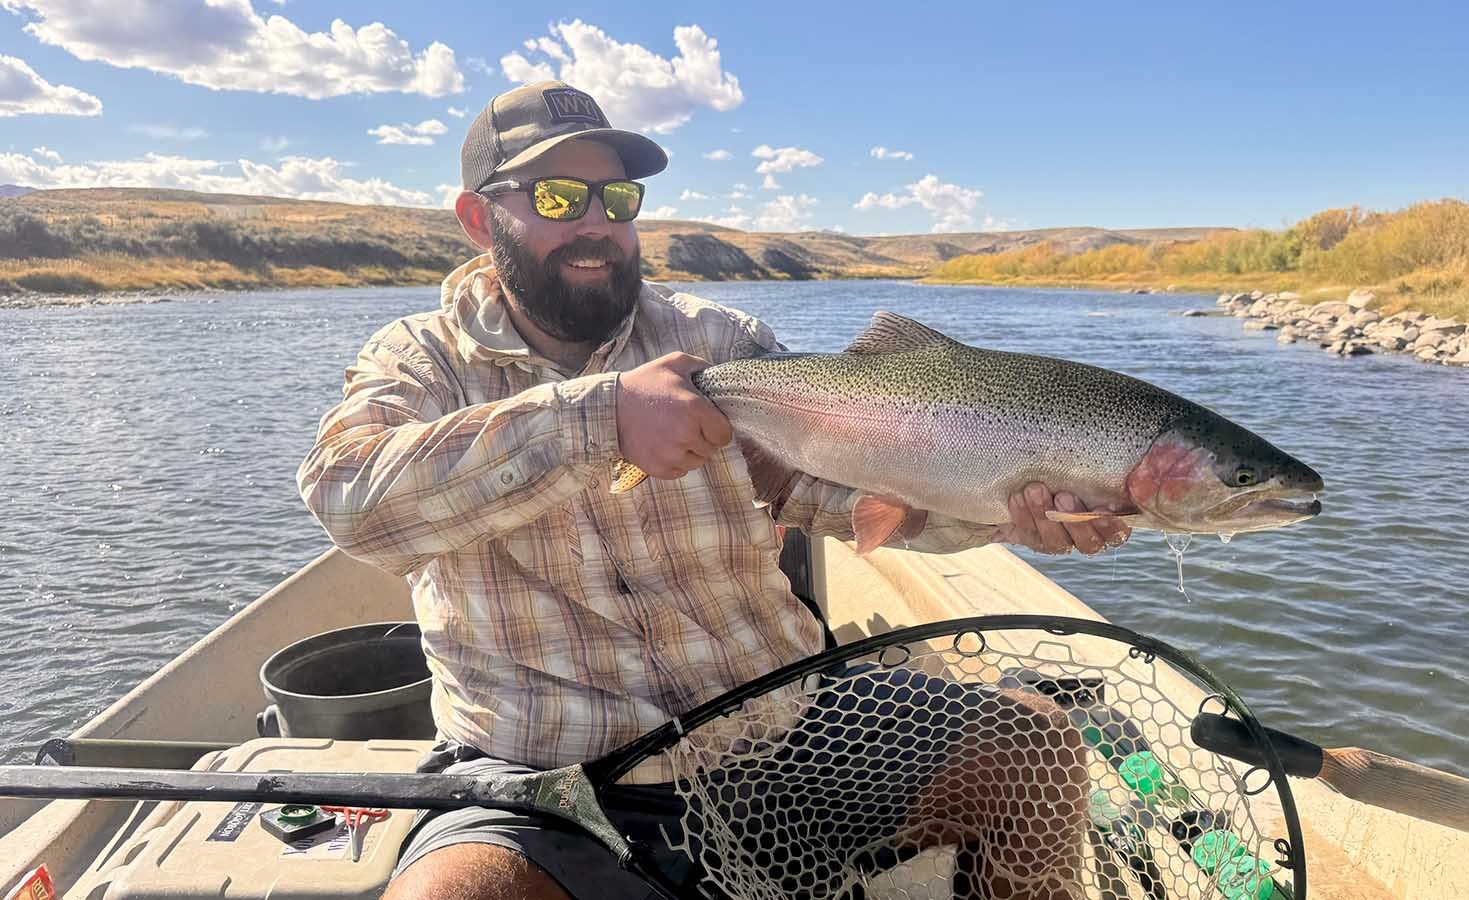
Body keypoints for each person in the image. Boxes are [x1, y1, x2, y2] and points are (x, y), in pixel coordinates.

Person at [298, 80, 1132, 900]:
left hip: (782, 726)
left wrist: (1006, 509)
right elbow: (347, 502)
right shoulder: (418, 361)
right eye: (557, 196)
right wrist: (600, 421)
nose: (597, 223)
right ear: (480, 220)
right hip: (544, 778)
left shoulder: (719, 341)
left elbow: (834, 496)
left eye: (615, 198)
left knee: (1037, 744)